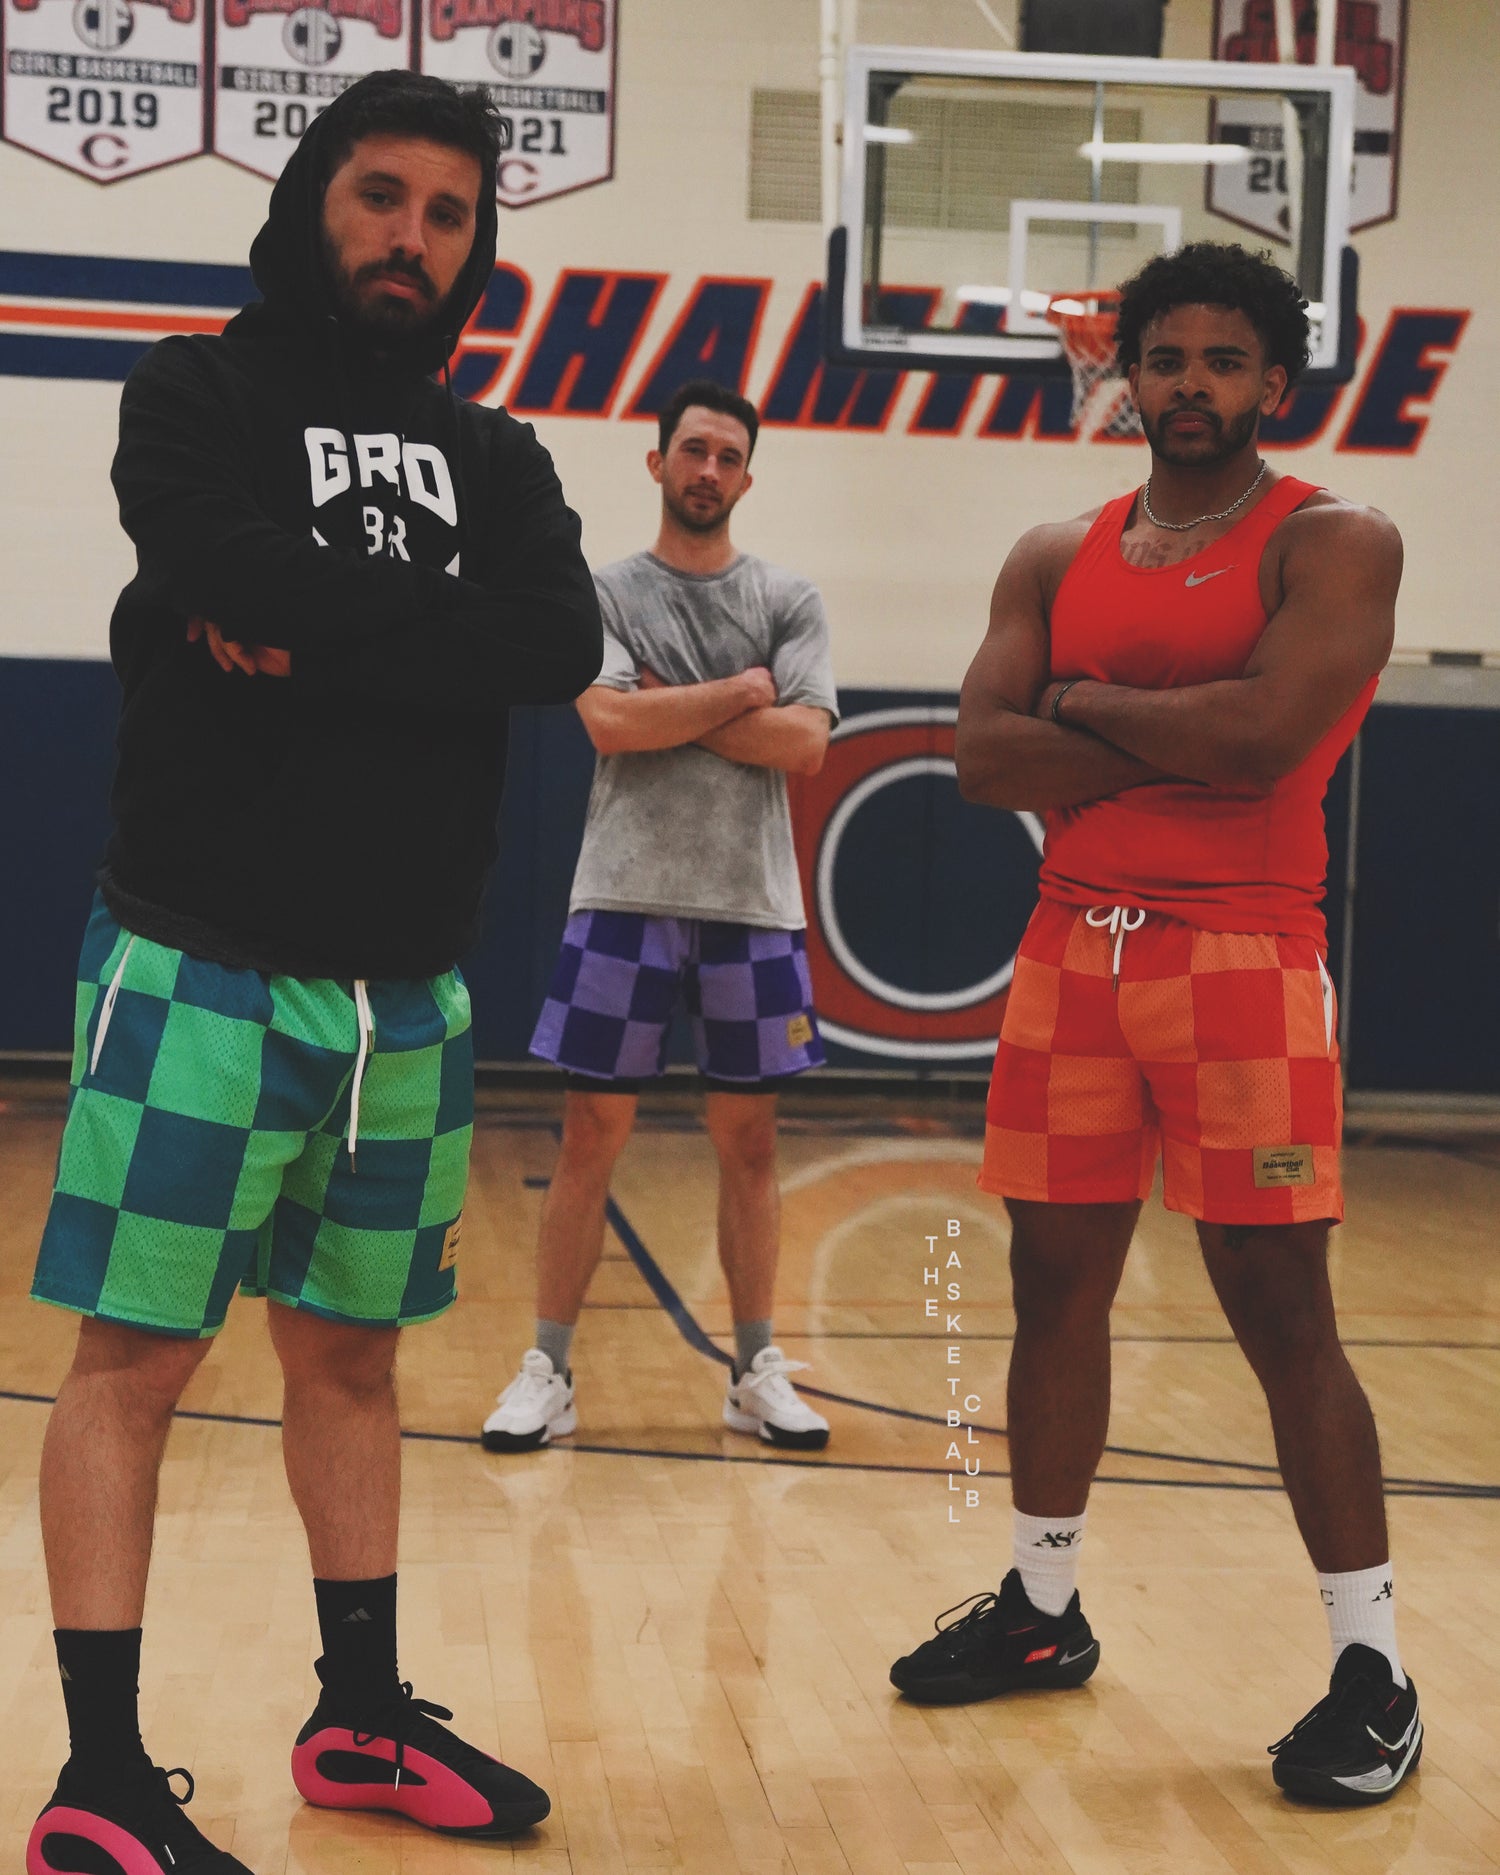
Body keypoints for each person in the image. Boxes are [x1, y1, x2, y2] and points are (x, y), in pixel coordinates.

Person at [26, 70, 602, 1870]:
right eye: (381, 196)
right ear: (311, 202)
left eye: (447, 214)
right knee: (135, 1360)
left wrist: (313, 624)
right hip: (199, 959)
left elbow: (555, 638)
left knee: (352, 1359)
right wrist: (413, 627)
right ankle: (98, 1778)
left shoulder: (499, 456)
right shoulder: (195, 390)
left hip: (403, 993)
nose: (411, 238)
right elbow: (218, 563)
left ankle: (357, 1716)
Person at [888, 244, 1419, 1807]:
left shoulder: (1334, 538)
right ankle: (1042, 1605)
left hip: (1242, 953)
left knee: (1280, 1303)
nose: (1191, 383)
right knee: (1051, 1280)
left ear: (1275, 380)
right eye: (1166, 356)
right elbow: (983, 759)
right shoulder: (1056, 549)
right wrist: (1163, 727)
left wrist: (1084, 704)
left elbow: (1266, 738)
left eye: (1223, 359)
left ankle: (1374, 1666)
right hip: (1073, 948)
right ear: (1125, 374)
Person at [481, 379, 839, 1457]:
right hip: (624, 894)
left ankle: (755, 1370)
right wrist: (738, 693)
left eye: (728, 456)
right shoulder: (605, 591)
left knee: (751, 1142)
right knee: (590, 1134)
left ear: (747, 476)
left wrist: (667, 706)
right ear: (657, 462)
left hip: (751, 904)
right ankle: (548, 1369)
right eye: (693, 450)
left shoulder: (790, 597)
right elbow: (606, 723)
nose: (709, 470)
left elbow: (805, 745)